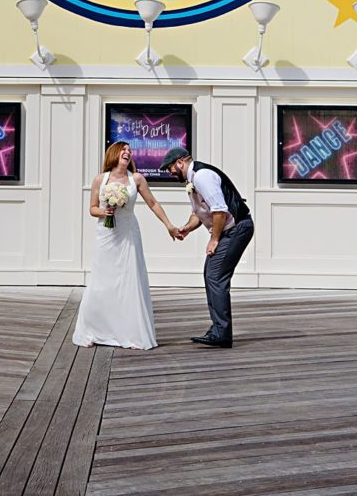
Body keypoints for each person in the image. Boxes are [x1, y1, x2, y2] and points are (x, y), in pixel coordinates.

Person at [73, 141, 182, 350]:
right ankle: (94, 330)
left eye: (130, 151)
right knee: (102, 279)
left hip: (129, 233)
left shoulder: (137, 179)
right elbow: (92, 209)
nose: (128, 153)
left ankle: (131, 333)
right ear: (114, 153)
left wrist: (169, 225)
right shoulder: (100, 179)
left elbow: (153, 203)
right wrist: (104, 212)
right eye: (124, 150)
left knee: (129, 280)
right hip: (106, 234)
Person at [160, 147, 254, 348]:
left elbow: (219, 211)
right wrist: (187, 228)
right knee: (211, 274)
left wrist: (214, 240)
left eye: (170, 168)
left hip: (237, 228)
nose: (170, 173)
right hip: (230, 230)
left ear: (180, 162)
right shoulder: (193, 180)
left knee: (215, 276)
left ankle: (221, 332)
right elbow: (199, 213)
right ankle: (218, 329)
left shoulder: (202, 176)